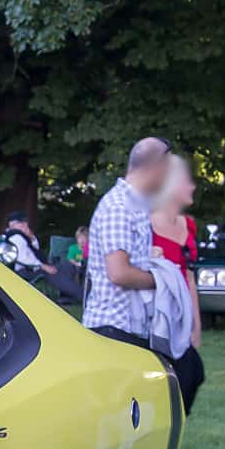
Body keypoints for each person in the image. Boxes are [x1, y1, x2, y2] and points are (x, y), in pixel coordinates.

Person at [150, 152, 204, 449]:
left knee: (192, 374)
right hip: (154, 323)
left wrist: (196, 325)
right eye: (187, 180)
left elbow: (189, 277)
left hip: (181, 322)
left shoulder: (188, 226)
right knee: (164, 392)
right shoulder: (144, 224)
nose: (193, 186)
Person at [82, 136, 170, 345]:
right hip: (113, 329)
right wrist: (162, 280)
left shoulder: (136, 206)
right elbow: (119, 273)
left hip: (129, 328)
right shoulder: (118, 208)